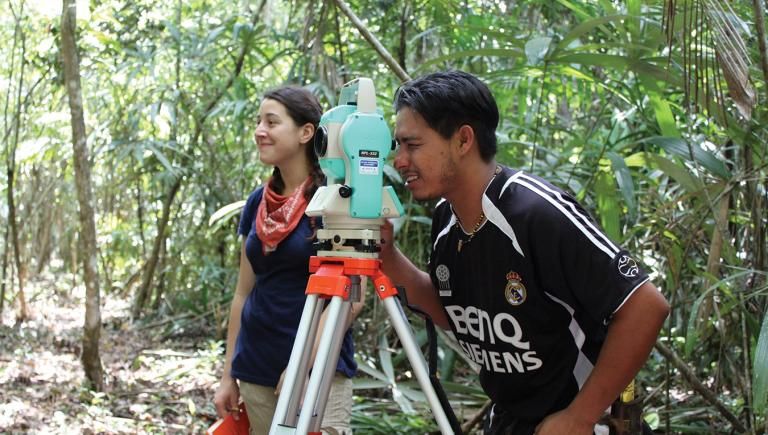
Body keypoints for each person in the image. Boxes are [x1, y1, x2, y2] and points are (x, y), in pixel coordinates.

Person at [379, 70, 670, 435]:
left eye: (413, 145)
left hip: (583, 420)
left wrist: (579, 417)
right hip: (511, 418)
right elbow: (454, 310)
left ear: (463, 139)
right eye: (398, 146)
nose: (399, 160)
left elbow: (645, 306)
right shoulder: (445, 219)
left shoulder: (536, 213)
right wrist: (388, 258)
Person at [214, 86, 362, 435]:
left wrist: (301, 367)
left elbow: (353, 298)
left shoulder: (336, 199)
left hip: (318, 372)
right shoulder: (257, 202)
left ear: (305, 132)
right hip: (255, 368)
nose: (259, 131)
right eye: (258, 121)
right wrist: (227, 375)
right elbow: (242, 294)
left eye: (271, 122)